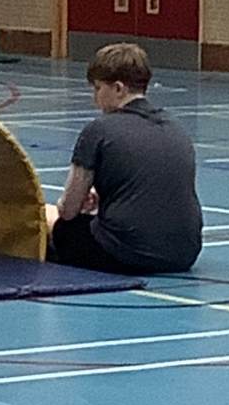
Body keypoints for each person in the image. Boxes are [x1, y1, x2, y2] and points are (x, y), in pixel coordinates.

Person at [48, 43, 203, 275]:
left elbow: (68, 211)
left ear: (119, 88)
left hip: (124, 254)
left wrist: (72, 205)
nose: (94, 99)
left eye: (98, 89)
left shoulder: (98, 130)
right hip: (184, 254)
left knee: (49, 218)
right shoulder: (176, 127)